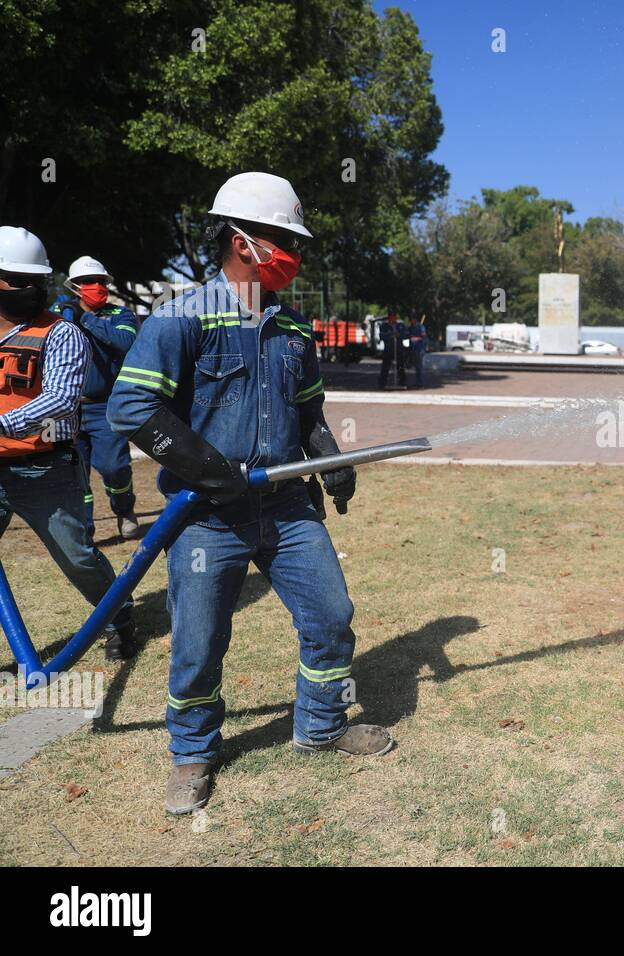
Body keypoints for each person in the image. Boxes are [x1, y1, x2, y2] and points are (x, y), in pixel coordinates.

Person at [108, 172, 392, 816]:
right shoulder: (182, 317)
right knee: (200, 642)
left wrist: (330, 459)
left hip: (287, 509)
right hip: (207, 517)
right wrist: (209, 469)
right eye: (282, 240)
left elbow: (308, 408)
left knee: (330, 617)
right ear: (242, 240)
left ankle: (321, 726)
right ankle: (192, 755)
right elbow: (132, 406)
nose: (293, 254)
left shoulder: (293, 327)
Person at [0, 227, 136, 661]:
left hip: (44, 468)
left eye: (37, 281)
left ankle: (117, 617)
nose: (31, 290)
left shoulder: (61, 333)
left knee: (77, 557)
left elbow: (59, 399)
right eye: (19, 281)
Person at [55, 256, 141, 540]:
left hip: (106, 406)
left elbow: (125, 343)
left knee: (113, 467)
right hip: (67, 409)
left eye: (100, 281)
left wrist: (87, 319)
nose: (96, 286)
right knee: (75, 474)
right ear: (75, 287)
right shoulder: (59, 314)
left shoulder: (121, 316)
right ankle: (85, 531)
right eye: (88, 282)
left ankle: (124, 508)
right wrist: (64, 318)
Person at [376, 312, 406, 389]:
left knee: (400, 367)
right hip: (388, 349)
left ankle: (402, 383)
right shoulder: (384, 326)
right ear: (389, 318)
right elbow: (382, 336)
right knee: (385, 367)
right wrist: (390, 335)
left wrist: (398, 335)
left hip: (398, 349)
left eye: (395, 317)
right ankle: (382, 383)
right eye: (392, 317)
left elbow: (404, 334)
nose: (394, 319)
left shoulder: (400, 325)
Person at [407, 314, 427, 387]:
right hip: (412, 348)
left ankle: (420, 383)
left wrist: (416, 338)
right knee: (415, 366)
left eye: (412, 320)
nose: (411, 321)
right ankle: (417, 382)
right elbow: (407, 335)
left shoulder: (420, 327)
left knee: (419, 367)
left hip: (419, 349)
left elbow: (423, 335)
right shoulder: (411, 327)